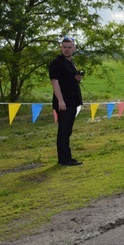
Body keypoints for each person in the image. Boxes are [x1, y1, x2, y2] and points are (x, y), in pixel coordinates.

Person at [49, 36, 84, 166]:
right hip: (64, 102)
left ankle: (67, 157)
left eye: (70, 47)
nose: (67, 50)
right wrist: (61, 101)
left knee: (67, 130)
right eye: (65, 47)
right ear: (60, 47)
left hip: (73, 101)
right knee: (63, 131)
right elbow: (55, 82)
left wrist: (77, 78)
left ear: (74, 48)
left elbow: (69, 80)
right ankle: (64, 160)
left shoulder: (70, 62)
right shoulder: (56, 63)